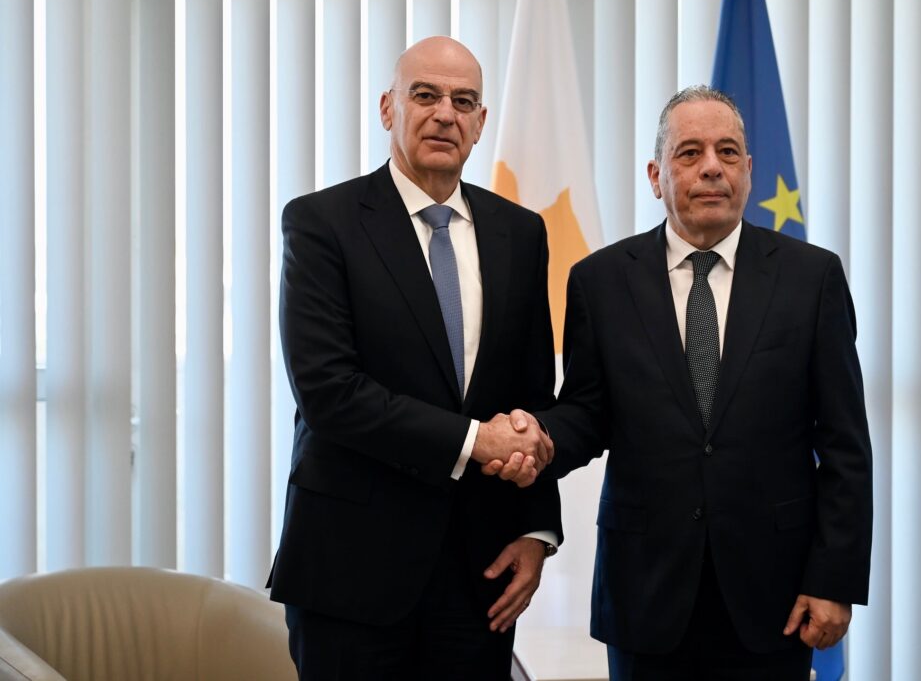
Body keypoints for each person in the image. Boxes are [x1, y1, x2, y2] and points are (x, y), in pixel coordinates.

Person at [488, 86, 873, 679]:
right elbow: (588, 413)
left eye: (727, 152)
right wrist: (534, 437)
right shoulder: (600, 282)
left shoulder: (811, 278)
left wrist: (834, 579)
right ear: (656, 176)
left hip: (775, 595)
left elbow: (845, 445)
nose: (711, 167)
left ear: (749, 171)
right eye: (690, 152)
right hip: (646, 591)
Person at [268, 36, 561, 681]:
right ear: (388, 108)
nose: (444, 114)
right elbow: (329, 393)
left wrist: (536, 530)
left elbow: (533, 396)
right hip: (351, 575)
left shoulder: (521, 232)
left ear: (480, 122)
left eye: (464, 101)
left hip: (480, 577)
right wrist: (475, 441)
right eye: (424, 95)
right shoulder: (322, 223)